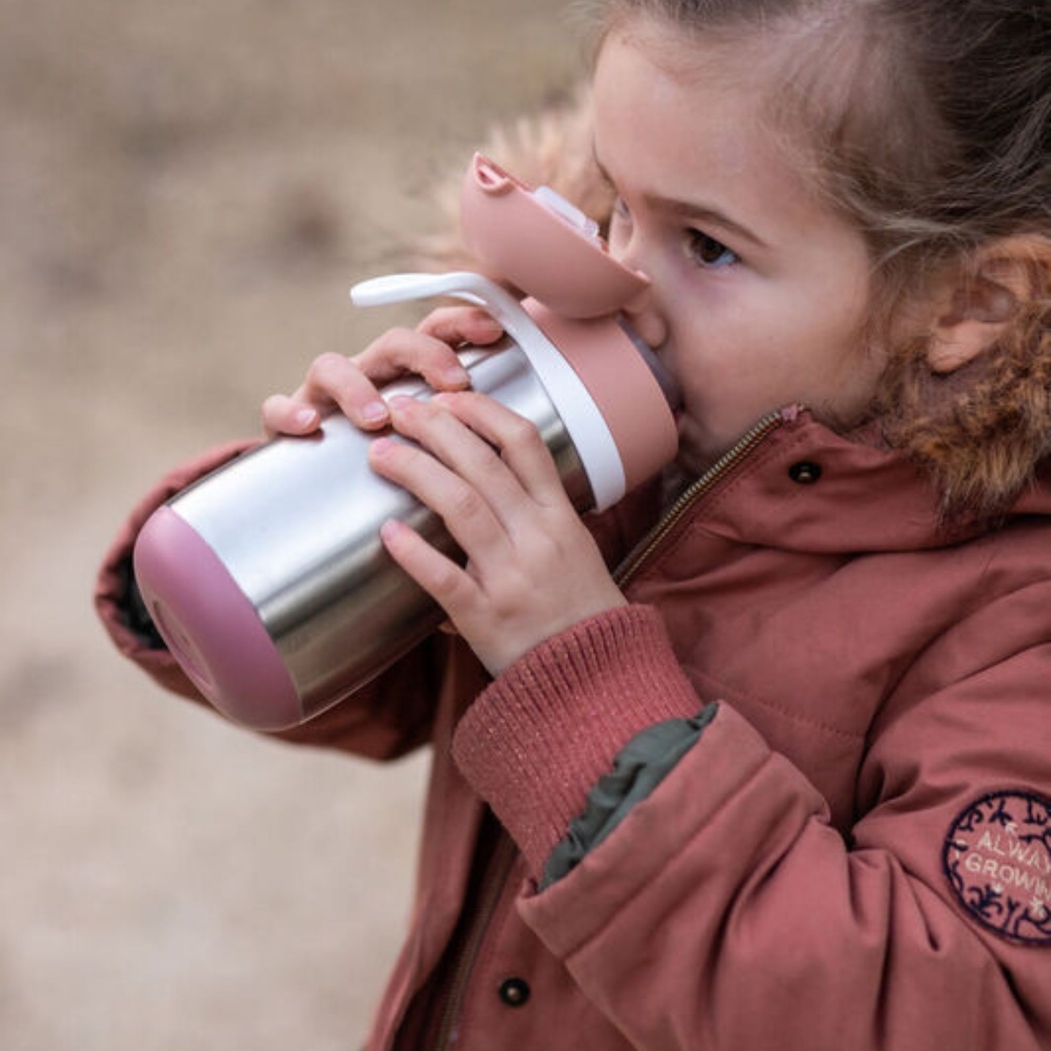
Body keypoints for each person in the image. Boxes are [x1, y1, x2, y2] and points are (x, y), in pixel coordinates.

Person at [96, 0, 1051, 1047]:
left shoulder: (1015, 631)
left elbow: (952, 1017)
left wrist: (578, 685)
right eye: (614, 206)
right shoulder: (619, 465)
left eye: (706, 246)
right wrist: (330, 495)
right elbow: (370, 693)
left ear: (973, 307)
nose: (620, 290)